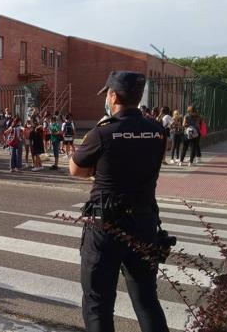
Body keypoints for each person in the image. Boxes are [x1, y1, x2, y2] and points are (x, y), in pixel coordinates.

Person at [70, 70, 169, 332]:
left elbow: (76, 169)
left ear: (113, 95)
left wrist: (99, 169)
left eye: (107, 94)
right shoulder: (158, 131)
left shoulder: (102, 132)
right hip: (144, 221)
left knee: (98, 303)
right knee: (147, 299)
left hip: (107, 225)